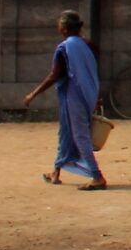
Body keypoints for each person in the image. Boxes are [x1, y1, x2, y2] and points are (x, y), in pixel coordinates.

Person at [24, 11, 107, 189]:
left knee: (79, 136)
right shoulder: (87, 45)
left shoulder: (65, 48)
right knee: (66, 134)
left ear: (63, 28)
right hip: (88, 94)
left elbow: (54, 75)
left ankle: (97, 176)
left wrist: (33, 94)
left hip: (74, 97)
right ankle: (56, 172)